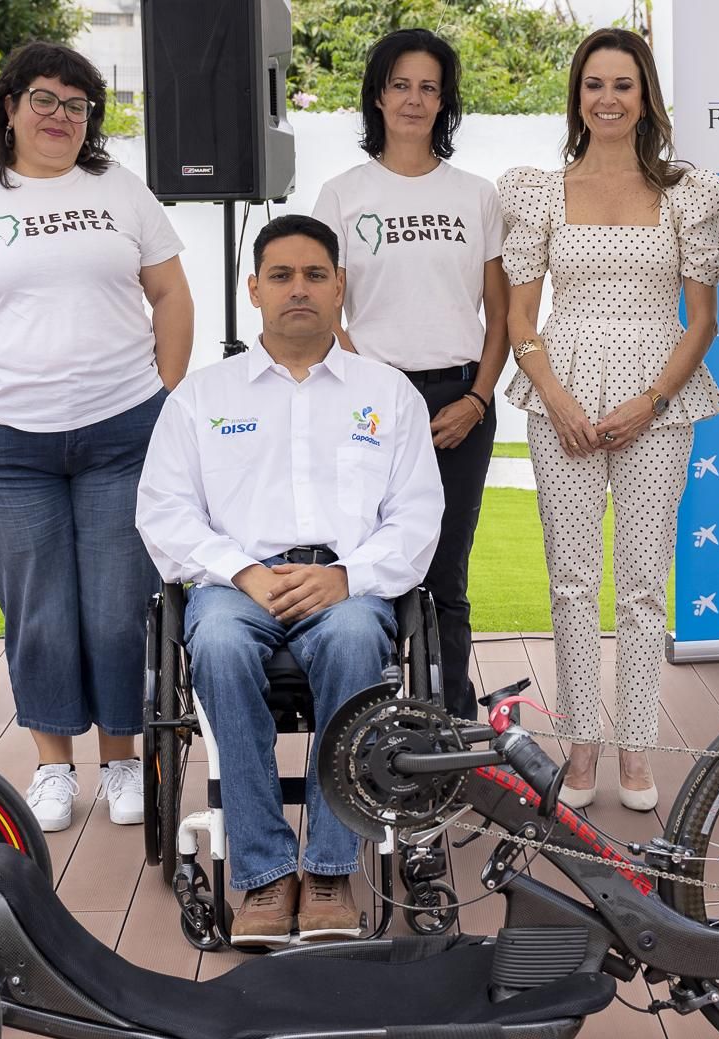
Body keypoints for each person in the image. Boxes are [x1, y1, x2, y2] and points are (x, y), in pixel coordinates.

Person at [0, 41, 195, 833]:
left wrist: (167, 394)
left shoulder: (121, 192)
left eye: (77, 105)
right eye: (45, 99)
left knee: (115, 610)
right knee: (38, 611)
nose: (60, 116)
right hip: (7, 443)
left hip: (120, 432)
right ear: (9, 106)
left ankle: (124, 759)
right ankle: (53, 766)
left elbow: (169, 292)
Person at [136, 215, 443, 945]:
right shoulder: (203, 397)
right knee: (216, 646)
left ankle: (331, 869)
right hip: (232, 586)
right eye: (281, 275)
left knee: (348, 642)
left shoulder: (388, 393)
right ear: (253, 290)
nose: (297, 289)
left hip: (347, 587)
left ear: (340, 286)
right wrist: (238, 569)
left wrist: (348, 575)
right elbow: (164, 510)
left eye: (313, 275)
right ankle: (266, 874)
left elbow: (417, 516)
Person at [499, 28, 719, 811]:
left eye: (622, 85)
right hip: (557, 393)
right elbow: (519, 313)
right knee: (570, 582)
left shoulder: (689, 194)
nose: (606, 98)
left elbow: (700, 319)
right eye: (593, 84)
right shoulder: (538, 190)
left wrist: (652, 400)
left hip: (656, 399)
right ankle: (579, 748)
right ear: (576, 95)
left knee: (640, 585)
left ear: (645, 98)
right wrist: (559, 399)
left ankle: (636, 750)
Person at [309, 28, 506, 721]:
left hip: (457, 402)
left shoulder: (475, 195)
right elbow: (327, 305)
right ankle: (368, 723)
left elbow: (500, 314)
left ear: (444, 99)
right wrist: (371, 388)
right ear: (377, 95)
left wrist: (478, 398)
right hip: (368, 403)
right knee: (367, 568)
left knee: (444, 576)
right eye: (400, 85)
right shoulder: (342, 193)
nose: (414, 100)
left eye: (428, 87)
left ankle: (450, 730)